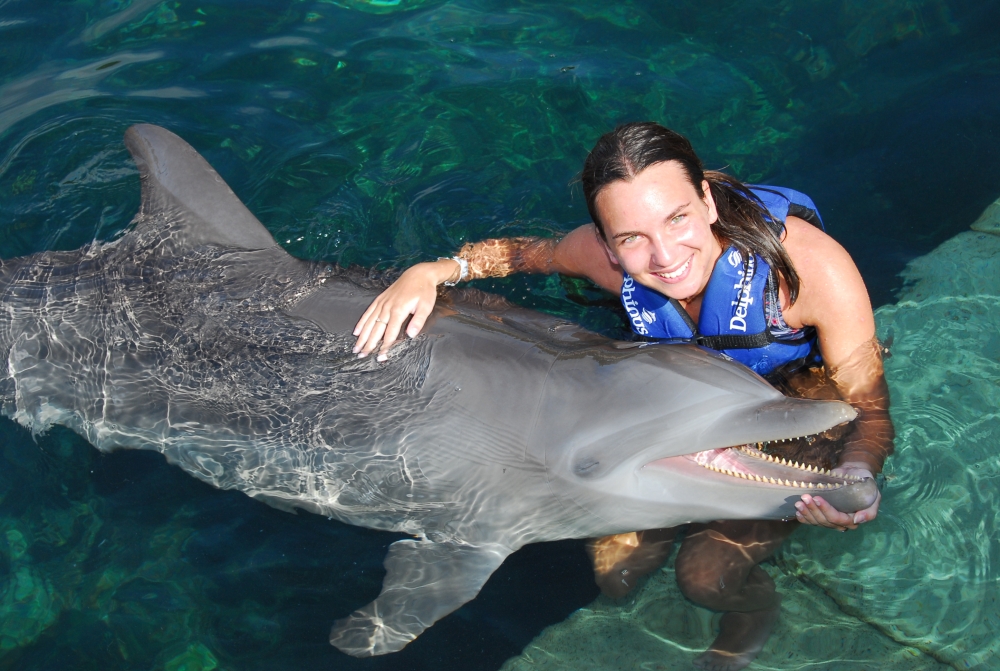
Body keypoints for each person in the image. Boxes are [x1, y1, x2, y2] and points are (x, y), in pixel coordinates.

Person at [352, 122, 894, 671]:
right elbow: (519, 255)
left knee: (706, 578)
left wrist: (854, 471)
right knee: (618, 577)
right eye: (630, 237)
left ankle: (751, 617)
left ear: (706, 201)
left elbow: (869, 402)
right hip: (671, 401)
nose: (663, 256)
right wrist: (433, 271)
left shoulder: (806, 270)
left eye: (677, 217)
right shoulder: (601, 257)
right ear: (607, 242)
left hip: (792, 407)